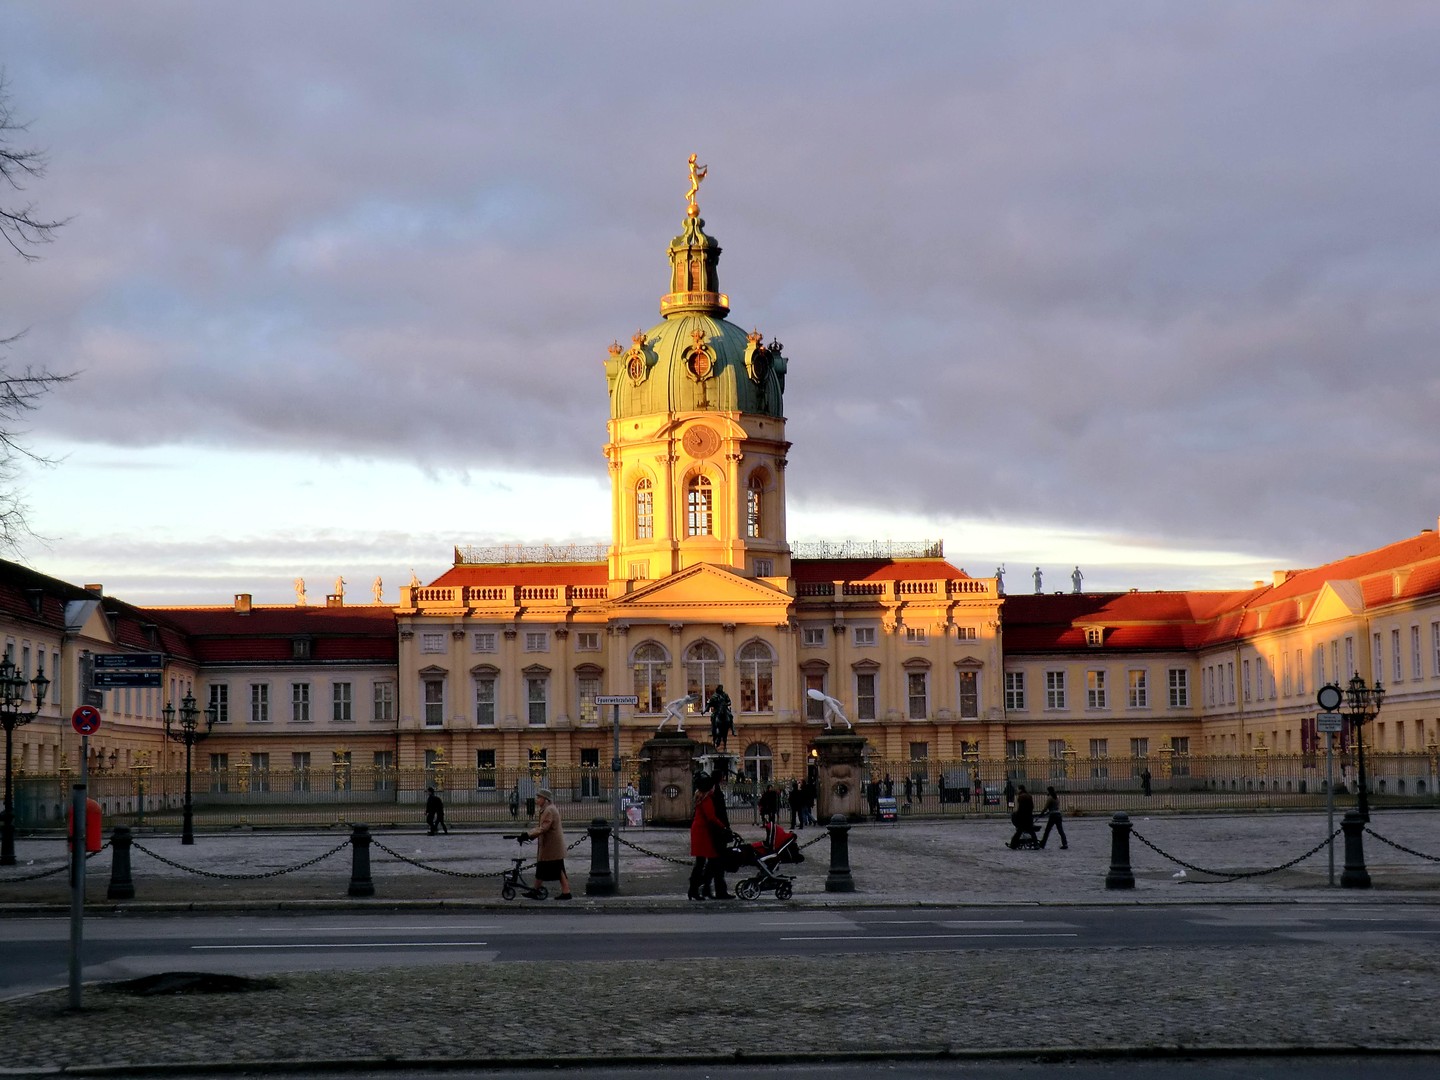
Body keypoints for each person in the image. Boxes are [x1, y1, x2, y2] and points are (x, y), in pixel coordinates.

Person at [520, 788, 571, 900]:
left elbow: (543, 828)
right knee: (559, 869)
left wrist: (528, 835)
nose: (536, 800)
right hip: (553, 846)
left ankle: (536, 890)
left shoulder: (549, 810)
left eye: (539, 798)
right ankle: (566, 892)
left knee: (542, 868)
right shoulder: (548, 809)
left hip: (551, 846)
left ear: (545, 799)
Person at [688, 774, 725, 900]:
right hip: (703, 831)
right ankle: (695, 889)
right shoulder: (707, 799)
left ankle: (697, 889)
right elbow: (711, 817)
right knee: (704, 861)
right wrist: (723, 827)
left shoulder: (699, 796)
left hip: (699, 830)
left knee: (701, 861)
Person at [707, 684, 734, 750]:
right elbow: (710, 704)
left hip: (724, 709)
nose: (721, 689)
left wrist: (726, 704)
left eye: (722, 688)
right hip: (717, 710)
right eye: (720, 688)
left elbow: (729, 702)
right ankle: (712, 728)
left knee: (730, 715)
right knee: (713, 716)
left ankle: (733, 729)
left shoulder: (725, 695)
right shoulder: (714, 696)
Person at [1008, 784, 1036, 849]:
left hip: (1022, 817)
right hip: (1029, 816)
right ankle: (1036, 844)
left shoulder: (1021, 796)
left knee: (1019, 831)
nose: (1017, 791)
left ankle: (1013, 844)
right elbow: (1032, 806)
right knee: (1031, 831)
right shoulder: (1029, 795)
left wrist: (1016, 814)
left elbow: (1020, 808)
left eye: (1017, 789)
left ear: (1020, 789)